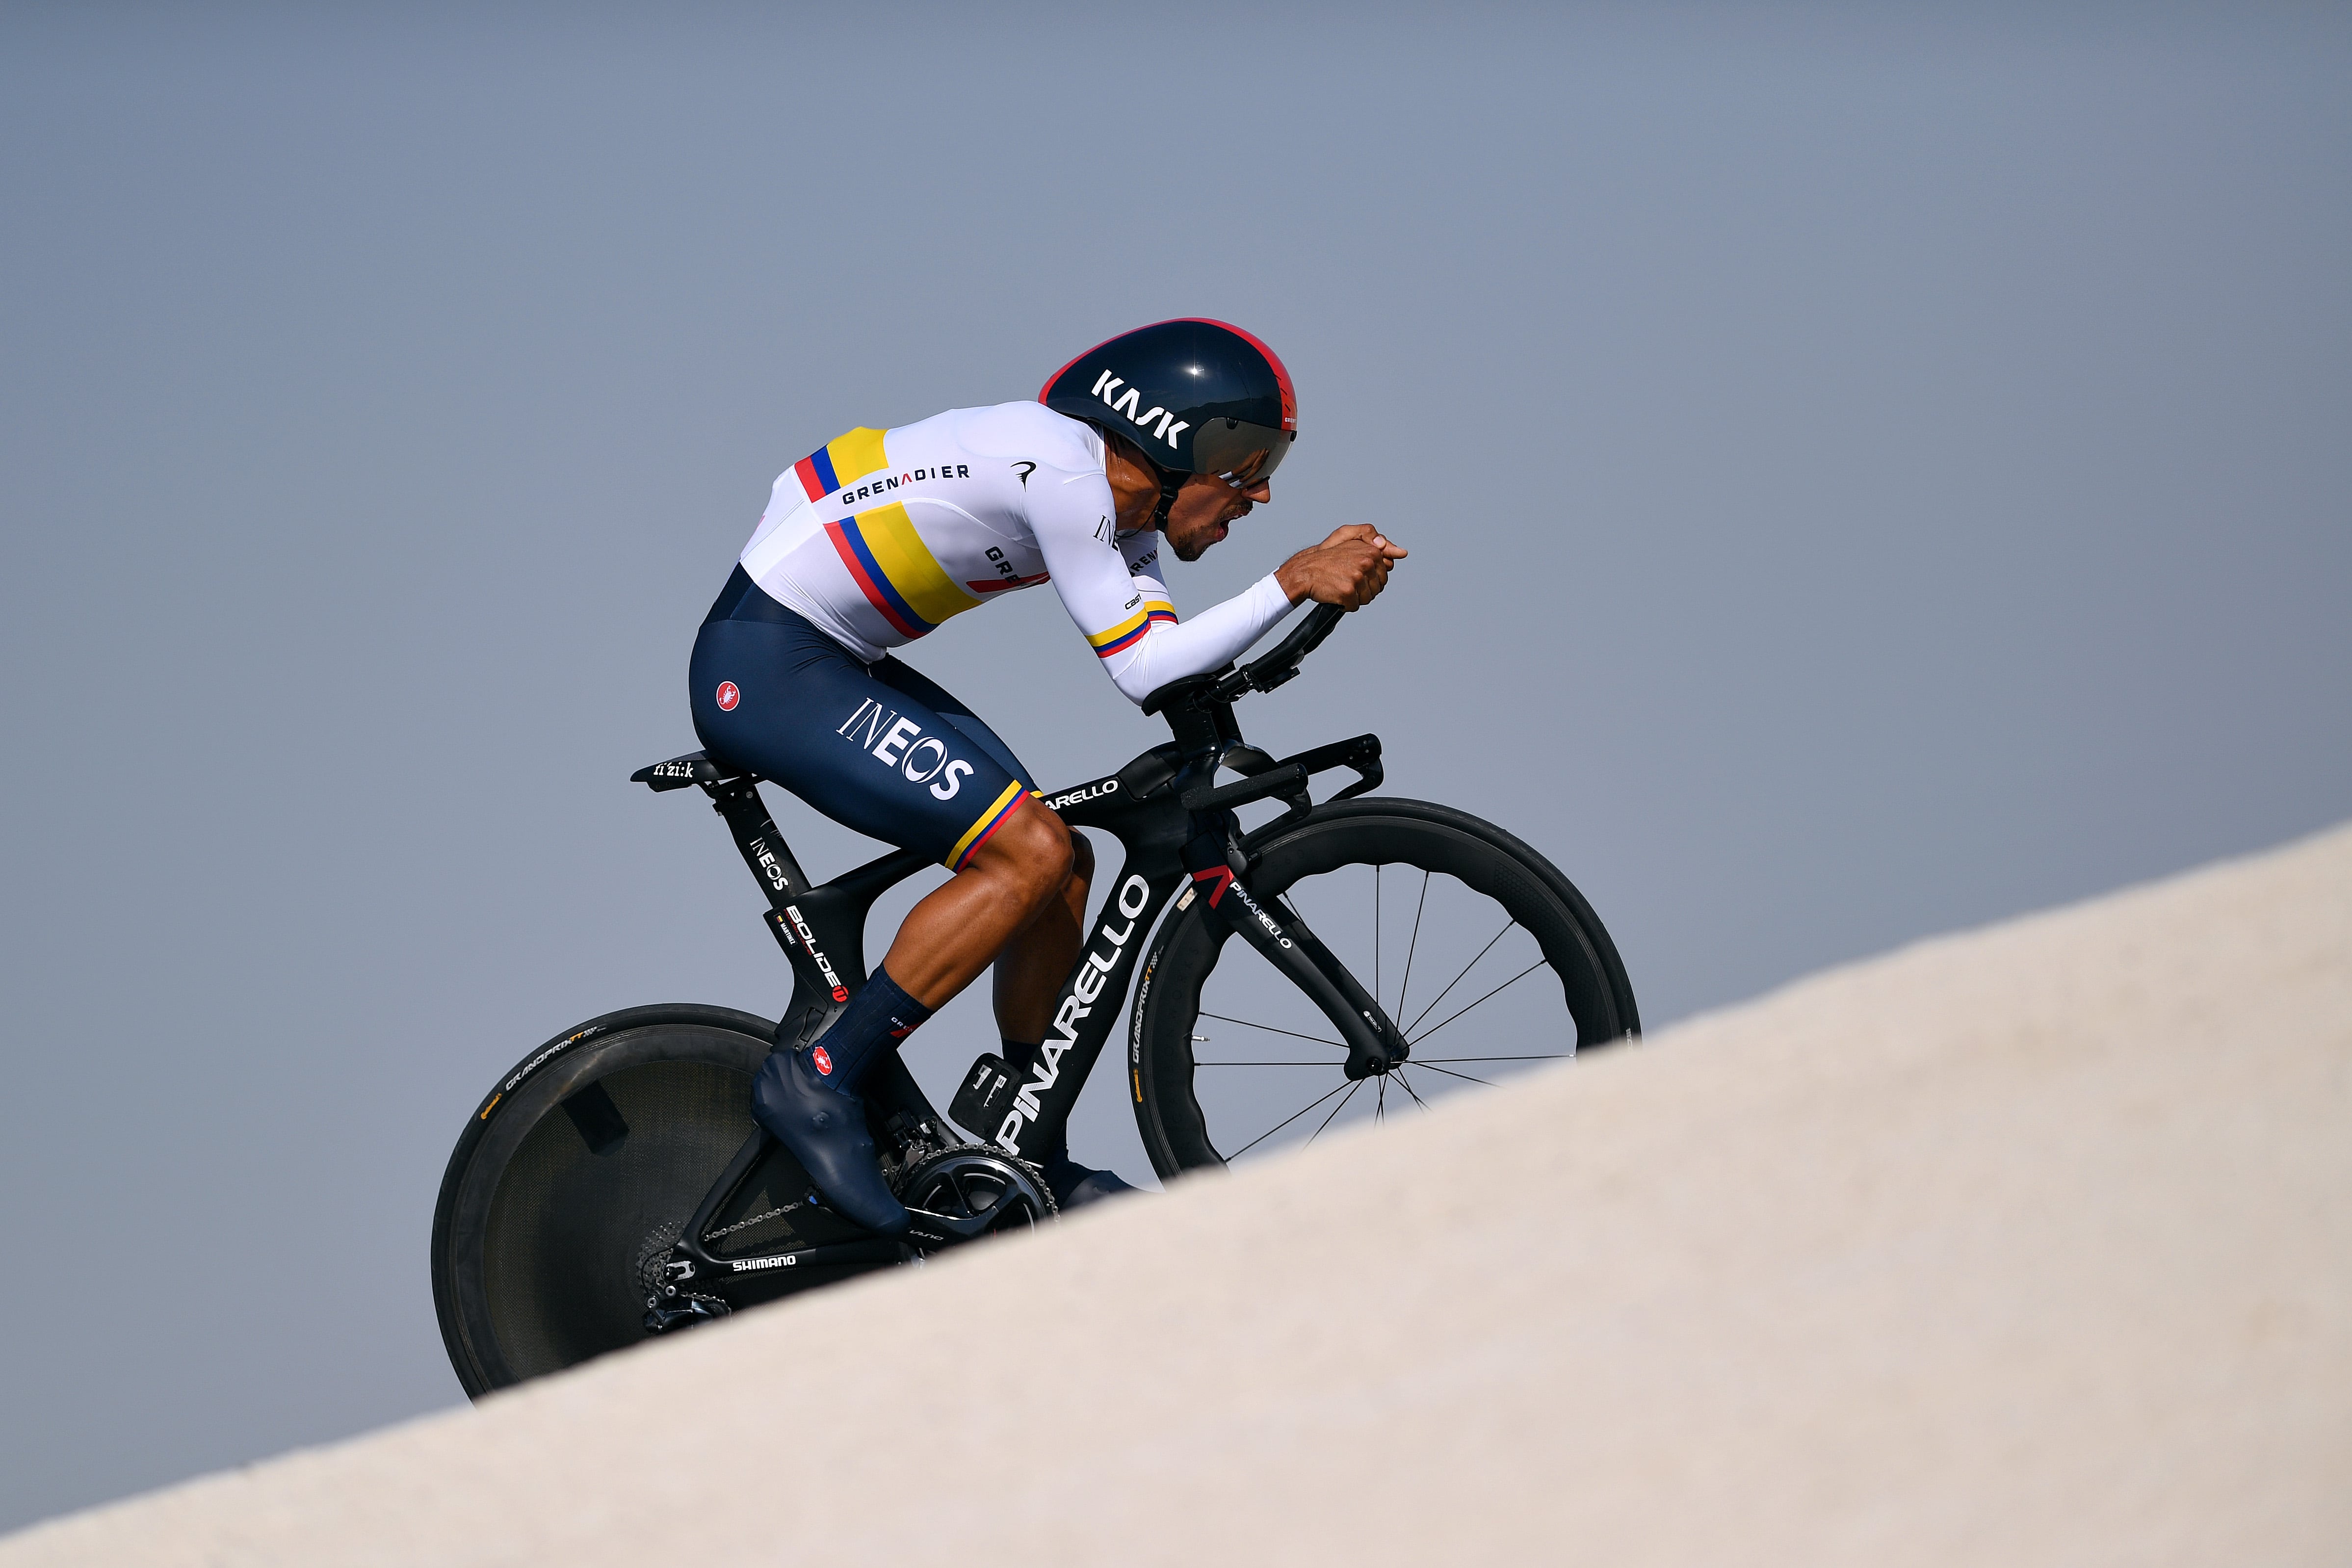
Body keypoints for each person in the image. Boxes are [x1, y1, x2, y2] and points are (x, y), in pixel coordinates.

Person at [689, 318, 1406, 1232]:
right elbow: (1144, 670)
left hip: (831, 655)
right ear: (1167, 441)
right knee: (1024, 854)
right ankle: (820, 1076)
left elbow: (1173, 662)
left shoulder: (1124, 515)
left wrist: (1293, 614)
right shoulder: (1064, 472)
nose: (1259, 495)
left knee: (1060, 863)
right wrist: (1292, 580)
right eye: (1246, 464)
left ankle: (1028, 1139)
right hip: (768, 667)